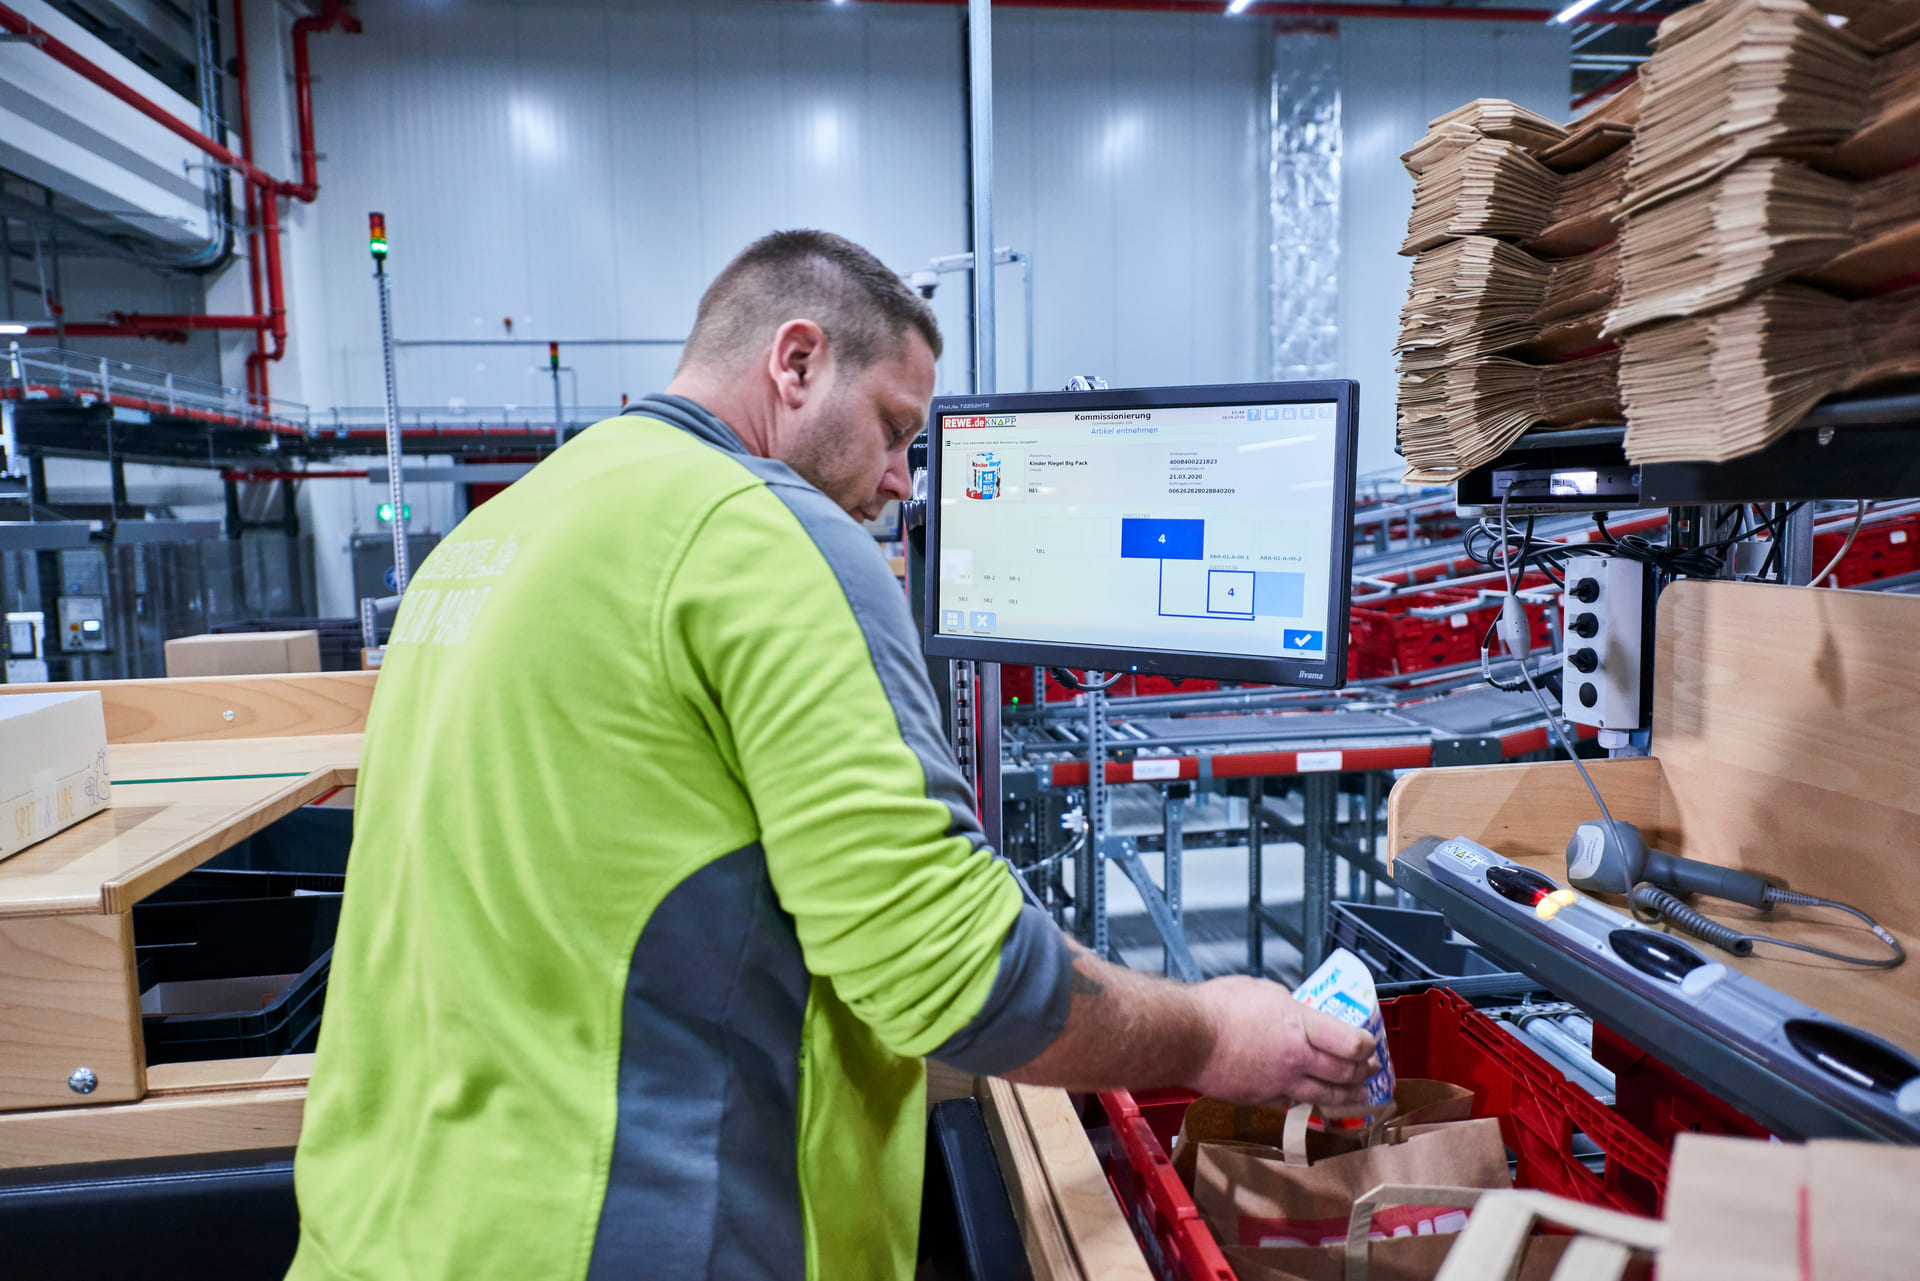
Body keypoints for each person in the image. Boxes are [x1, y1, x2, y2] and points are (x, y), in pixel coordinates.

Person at [287, 229, 1377, 1281]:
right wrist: (1208, 1035)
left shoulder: (499, 534)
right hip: (615, 1239)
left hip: (382, 1229)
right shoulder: (762, 531)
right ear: (797, 361)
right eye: (897, 427)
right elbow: (953, 977)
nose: (908, 478)